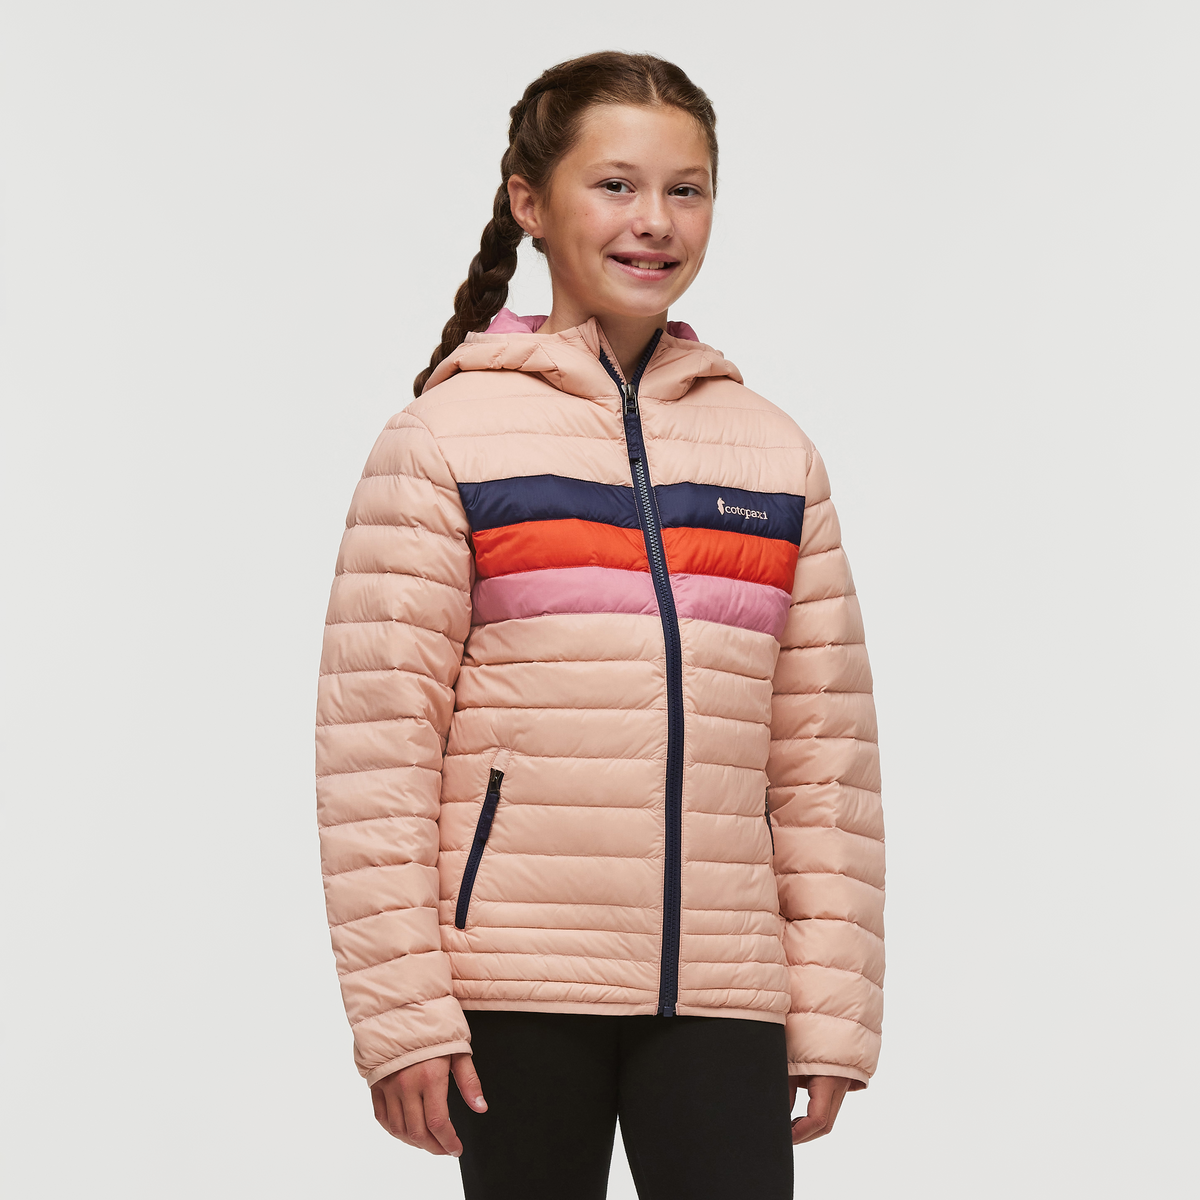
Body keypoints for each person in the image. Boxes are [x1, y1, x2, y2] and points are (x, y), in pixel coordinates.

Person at [316, 50, 884, 1200]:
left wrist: (831, 1004)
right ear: (531, 202)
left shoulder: (773, 455)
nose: (655, 221)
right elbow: (378, 753)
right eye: (616, 185)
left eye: (687, 189)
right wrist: (402, 1010)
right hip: (512, 981)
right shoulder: (444, 441)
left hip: (723, 986)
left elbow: (823, 762)